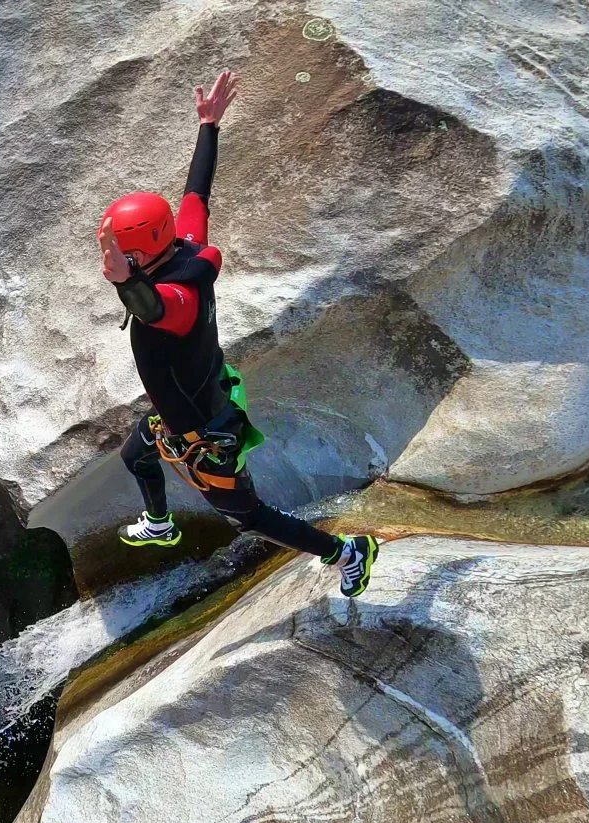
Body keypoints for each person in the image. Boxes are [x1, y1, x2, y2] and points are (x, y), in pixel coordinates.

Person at [95, 70, 381, 598]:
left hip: (205, 434)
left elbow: (156, 309)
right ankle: (160, 524)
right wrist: (209, 126)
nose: (115, 258)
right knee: (134, 455)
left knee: (250, 516)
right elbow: (196, 193)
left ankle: (348, 551)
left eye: (122, 251)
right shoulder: (180, 245)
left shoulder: (176, 296)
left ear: (139, 253)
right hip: (186, 408)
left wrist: (124, 282)